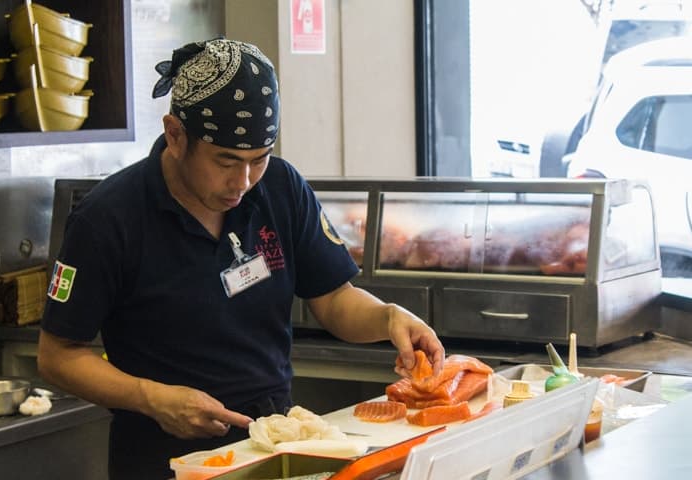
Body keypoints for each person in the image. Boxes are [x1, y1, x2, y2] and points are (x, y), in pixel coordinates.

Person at [37, 38, 445, 480]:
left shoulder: (281, 188)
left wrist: (387, 318)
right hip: (164, 459)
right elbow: (57, 355)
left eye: (259, 159)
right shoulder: (108, 218)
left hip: (275, 447)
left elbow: (333, 299)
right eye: (226, 161)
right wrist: (152, 398)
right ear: (175, 135)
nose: (244, 181)